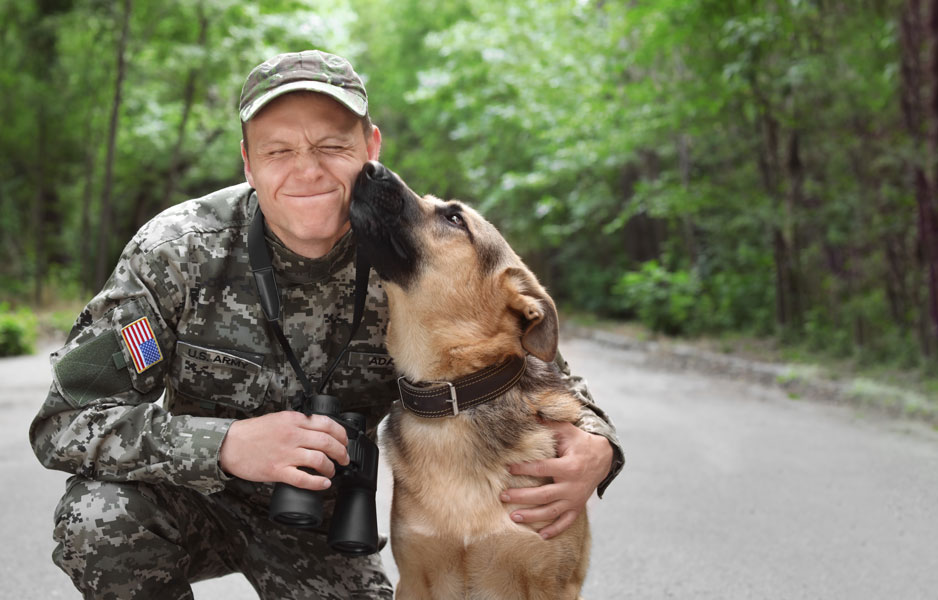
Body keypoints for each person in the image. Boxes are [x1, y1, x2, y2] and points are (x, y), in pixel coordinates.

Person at [29, 49, 625, 599]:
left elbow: (535, 365)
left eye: (332, 146)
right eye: (278, 150)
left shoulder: (410, 258)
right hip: (191, 497)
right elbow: (63, 421)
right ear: (248, 161)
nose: (307, 170)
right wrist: (226, 446)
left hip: (324, 525)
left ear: (371, 147)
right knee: (99, 519)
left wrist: (599, 445)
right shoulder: (178, 251)